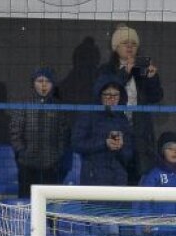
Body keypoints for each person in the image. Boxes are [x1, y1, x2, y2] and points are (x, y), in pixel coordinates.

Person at [96, 24, 163, 181]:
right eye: (125, 43)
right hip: (113, 129)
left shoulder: (143, 69)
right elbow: (105, 91)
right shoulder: (106, 70)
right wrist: (125, 72)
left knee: (136, 178)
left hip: (138, 133)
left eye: (133, 44)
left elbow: (156, 96)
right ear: (115, 47)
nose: (130, 47)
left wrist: (152, 78)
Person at [8, 67, 70, 197]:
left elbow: (63, 135)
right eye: (40, 80)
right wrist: (22, 152)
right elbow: (15, 133)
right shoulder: (23, 105)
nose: (43, 85)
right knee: (27, 203)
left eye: (48, 81)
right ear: (33, 83)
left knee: (50, 206)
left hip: (52, 167)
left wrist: (57, 155)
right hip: (27, 166)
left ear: (53, 84)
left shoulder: (59, 107)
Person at [72, 77, 134, 186]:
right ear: (99, 95)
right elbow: (77, 144)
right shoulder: (88, 115)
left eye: (116, 95)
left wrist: (121, 147)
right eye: (107, 94)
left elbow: (129, 154)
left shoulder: (123, 119)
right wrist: (104, 143)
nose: (112, 98)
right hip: (93, 176)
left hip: (118, 177)